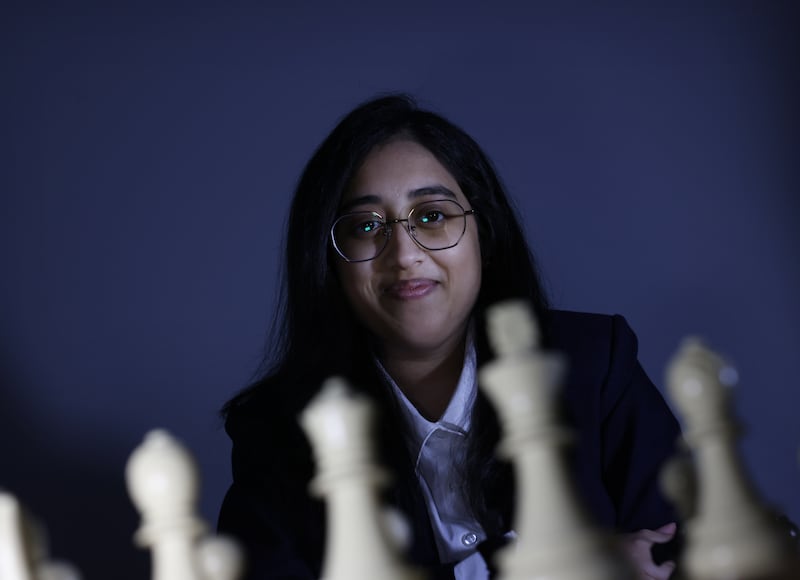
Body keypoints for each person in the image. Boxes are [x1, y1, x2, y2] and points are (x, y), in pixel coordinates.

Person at [218, 94, 682, 579]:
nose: (404, 255)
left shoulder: (594, 365)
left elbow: (685, 552)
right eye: (366, 226)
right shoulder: (277, 432)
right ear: (329, 261)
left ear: (485, 231)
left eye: (432, 216)